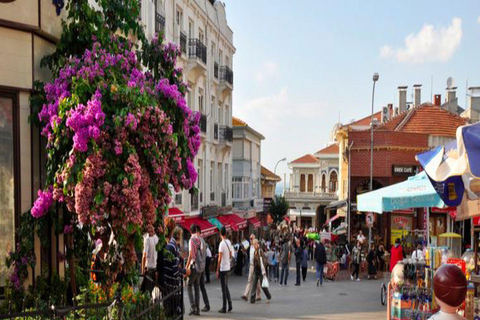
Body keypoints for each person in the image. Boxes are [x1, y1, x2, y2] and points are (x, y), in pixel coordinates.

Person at [160, 226, 185, 318]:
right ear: (178, 236)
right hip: (172, 285)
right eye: (181, 235)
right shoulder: (174, 247)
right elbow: (175, 270)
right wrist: (185, 271)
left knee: (170, 310)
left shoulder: (170, 245)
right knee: (175, 311)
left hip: (168, 283)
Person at [186, 224, 202, 316]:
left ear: (190, 231)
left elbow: (191, 255)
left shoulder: (191, 240)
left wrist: (187, 266)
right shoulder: (199, 239)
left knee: (189, 286)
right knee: (196, 287)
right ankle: (198, 309)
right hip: (200, 266)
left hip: (193, 266)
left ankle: (193, 307)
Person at [216, 226, 233, 313]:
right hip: (228, 267)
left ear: (220, 234)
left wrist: (217, 269)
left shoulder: (221, 244)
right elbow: (230, 254)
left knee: (223, 288)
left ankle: (224, 307)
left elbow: (219, 259)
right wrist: (228, 260)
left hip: (223, 268)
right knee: (226, 287)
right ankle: (230, 304)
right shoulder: (228, 242)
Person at [250, 239, 272, 304]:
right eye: (253, 245)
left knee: (263, 286)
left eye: (254, 244)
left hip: (261, 270)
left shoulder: (260, 251)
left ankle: (268, 296)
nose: (254, 246)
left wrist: (263, 271)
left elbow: (262, 262)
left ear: (257, 244)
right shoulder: (255, 252)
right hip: (256, 270)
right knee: (254, 284)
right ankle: (252, 299)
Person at [241, 234, 261, 301]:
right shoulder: (250, 246)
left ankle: (258, 295)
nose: (250, 240)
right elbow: (243, 247)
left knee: (257, 282)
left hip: (256, 266)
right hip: (251, 265)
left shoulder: (257, 247)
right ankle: (245, 295)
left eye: (251, 239)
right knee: (249, 280)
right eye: (250, 239)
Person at [195, 225, 210, 313]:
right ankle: (206, 304)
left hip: (200, 266)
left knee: (197, 286)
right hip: (203, 265)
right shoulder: (203, 241)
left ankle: (199, 306)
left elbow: (200, 254)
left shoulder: (200, 241)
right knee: (201, 286)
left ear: (198, 232)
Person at [141, 225, 159, 294]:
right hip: (156, 269)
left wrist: (142, 271)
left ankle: (148, 304)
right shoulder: (156, 238)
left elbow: (144, 255)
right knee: (153, 290)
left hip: (149, 269)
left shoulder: (147, 239)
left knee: (146, 292)